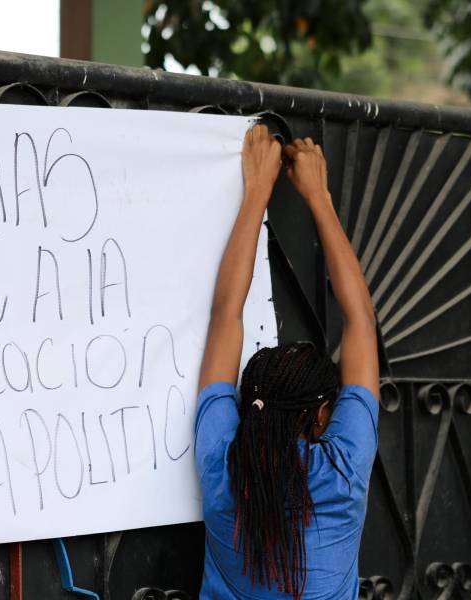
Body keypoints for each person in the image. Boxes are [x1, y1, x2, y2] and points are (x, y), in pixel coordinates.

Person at [195, 124, 380, 599]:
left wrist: (256, 190)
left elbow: (225, 315)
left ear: (248, 402)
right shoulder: (343, 472)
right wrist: (318, 196)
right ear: (322, 415)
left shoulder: (223, 468)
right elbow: (360, 322)